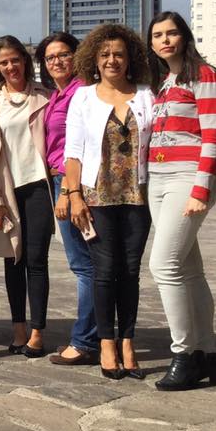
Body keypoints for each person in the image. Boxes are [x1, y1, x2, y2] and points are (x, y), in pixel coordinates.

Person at [64, 25, 153, 380]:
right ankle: (105, 344)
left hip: (137, 197)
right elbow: (72, 154)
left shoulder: (146, 95)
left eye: (118, 54)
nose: (111, 60)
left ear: (130, 57)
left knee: (130, 272)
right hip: (96, 196)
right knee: (104, 272)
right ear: (94, 60)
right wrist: (74, 197)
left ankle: (127, 341)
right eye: (104, 55)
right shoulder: (83, 97)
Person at [146, 11, 216, 390]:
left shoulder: (203, 74)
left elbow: (213, 136)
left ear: (184, 36)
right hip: (157, 180)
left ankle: (184, 354)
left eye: (172, 32)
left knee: (163, 265)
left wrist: (201, 188)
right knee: (190, 270)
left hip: (185, 179)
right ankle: (208, 353)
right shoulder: (164, 82)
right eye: (158, 34)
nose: (165, 40)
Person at [0, 36, 53, 357]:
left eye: (15, 60)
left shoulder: (46, 98)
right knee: (12, 259)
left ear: (26, 61)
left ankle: (37, 331)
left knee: (36, 260)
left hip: (37, 186)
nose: (10, 67)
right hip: (5, 191)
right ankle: (18, 327)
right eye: (4, 62)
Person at [34, 33, 100, 368]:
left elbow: (82, 146)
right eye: (50, 58)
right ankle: (98, 335)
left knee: (84, 265)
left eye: (63, 55)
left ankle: (85, 341)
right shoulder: (59, 94)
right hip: (62, 181)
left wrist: (66, 192)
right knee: (90, 264)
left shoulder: (83, 92)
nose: (57, 62)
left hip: (74, 186)